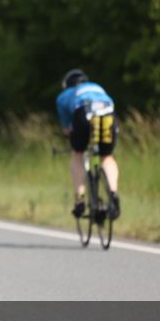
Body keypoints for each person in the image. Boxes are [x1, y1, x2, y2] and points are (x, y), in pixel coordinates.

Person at [56, 69, 120, 219]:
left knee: (77, 154)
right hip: (108, 112)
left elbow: (67, 129)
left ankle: (80, 198)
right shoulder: (97, 87)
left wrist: (73, 139)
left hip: (83, 112)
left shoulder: (64, 95)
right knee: (107, 156)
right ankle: (113, 192)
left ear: (67, 84)